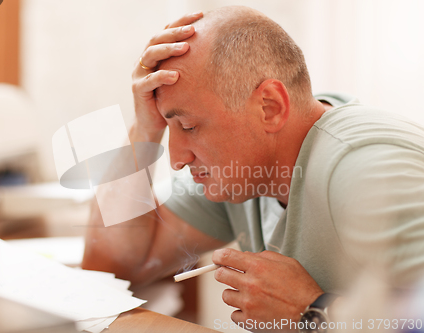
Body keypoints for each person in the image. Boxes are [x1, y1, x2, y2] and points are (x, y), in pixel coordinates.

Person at [82, 5, 424, 329]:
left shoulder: (365, 167)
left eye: (188, 127)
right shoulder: (243, 175)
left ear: (270, 107)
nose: (176, 158)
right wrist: (144, 130)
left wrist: (312, 311)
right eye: (167, 128)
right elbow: (111, 269)